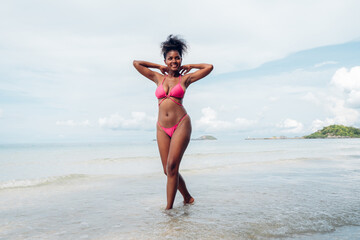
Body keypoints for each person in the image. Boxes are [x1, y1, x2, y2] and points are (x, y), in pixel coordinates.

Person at [133, 35, 213, 210]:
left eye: (177, 58)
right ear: (165, 61)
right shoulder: (157, 77)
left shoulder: (185, 79)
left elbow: (209, 67)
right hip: (161, 127)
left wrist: (191, 66)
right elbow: (136, 63)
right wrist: (158, 66)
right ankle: (187, 197)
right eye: (170, 58)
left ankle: (168, 211)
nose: (174, 61)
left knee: (172, 167)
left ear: (181, 60)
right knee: (168, 170)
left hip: (181, 124)